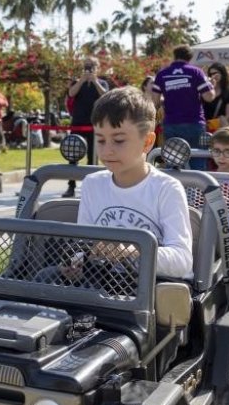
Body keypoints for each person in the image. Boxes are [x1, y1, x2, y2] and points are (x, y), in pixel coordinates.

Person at [76, 86, 194, 280]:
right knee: (44, 277)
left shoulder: (166, 189)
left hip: (152, 287)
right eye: (101, 140)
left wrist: (132, 251)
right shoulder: (92, 184)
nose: (107, 151)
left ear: (147, 142)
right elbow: (82, 244)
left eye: (119, 140)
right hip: (101, 282)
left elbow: (182, 261)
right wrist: (76, 263)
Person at [150, 45, 215, 165]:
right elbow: (209, 97)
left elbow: (155, 101)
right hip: (194, 123)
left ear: (174, 56)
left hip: (171, 124)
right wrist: (212, 85)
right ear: (190, 58)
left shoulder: (162, 74)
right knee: (197, 161)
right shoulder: (196, 72)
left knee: (173, 163)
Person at [66, 57, 110, 196]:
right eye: (86, 66)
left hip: (94, 124)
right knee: (73, 155)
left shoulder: (102, 82)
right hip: (78, 123)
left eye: (91, 66)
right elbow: (71, 93)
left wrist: (95, 81)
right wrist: (81, 80)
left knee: (92, 157)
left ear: (97, 68)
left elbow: (106, 95)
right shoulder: (77, 82)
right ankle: (71, 186)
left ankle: (90, 187)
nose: (89, 69)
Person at [202, 62, 229, 131]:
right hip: (204, 127)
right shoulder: (205, 91)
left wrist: (214, 123)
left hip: (220, 129)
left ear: (222, 74)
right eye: (210, 74)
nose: (213, 76)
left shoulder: (228, 92)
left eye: (215, 73)